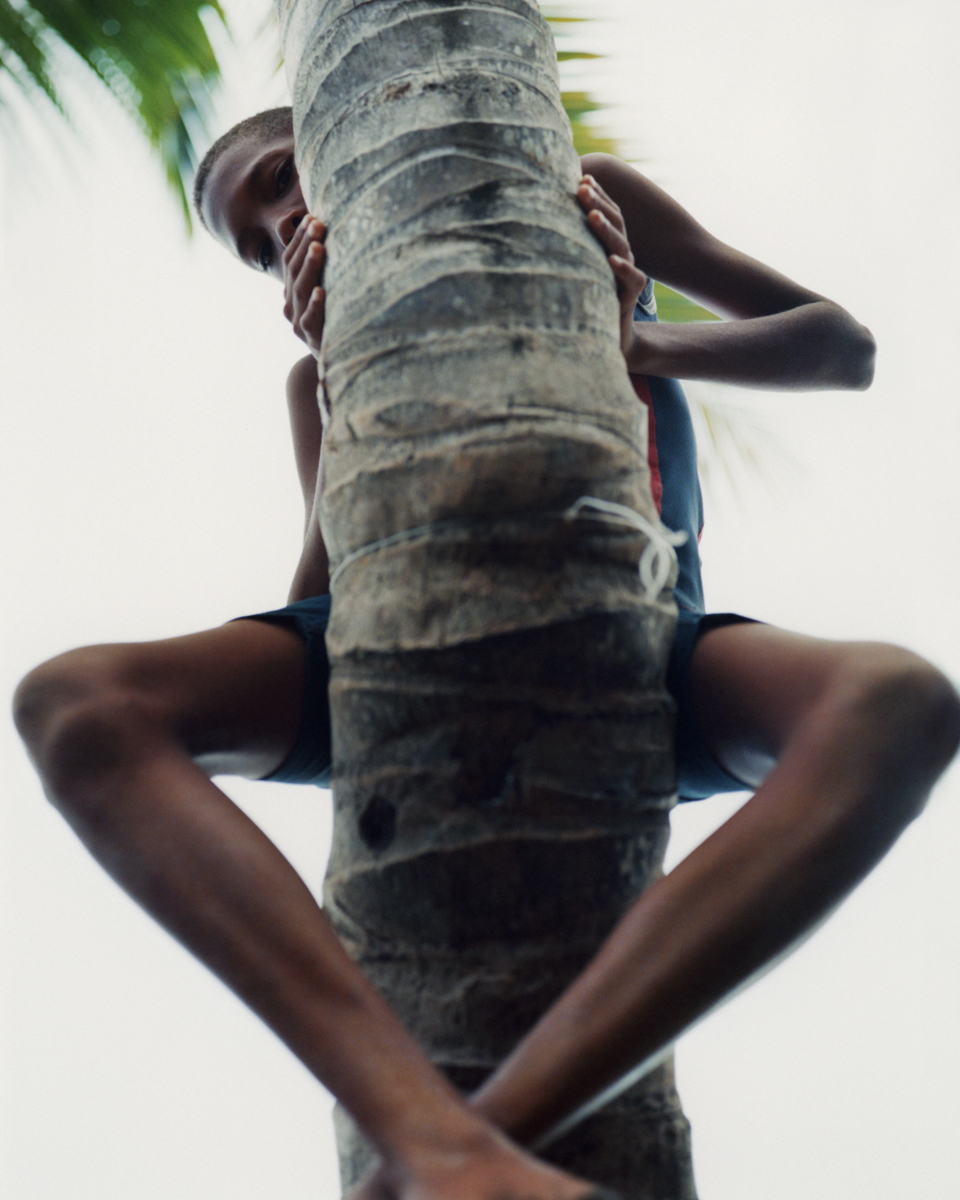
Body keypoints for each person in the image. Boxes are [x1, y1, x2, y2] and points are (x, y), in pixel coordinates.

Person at [13, 106, 960, 1200]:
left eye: (281, 181)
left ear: (342, 141)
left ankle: (457, 1140)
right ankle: (438, 1140)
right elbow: (319, 617)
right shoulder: (307, 386)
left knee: (895, 703)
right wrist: (341, 385)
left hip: (638, 632)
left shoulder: (584, 198)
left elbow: (843, 349)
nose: (283, 226)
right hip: (385, 649)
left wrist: (640, 342)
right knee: (74, 704)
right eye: (259, 243)